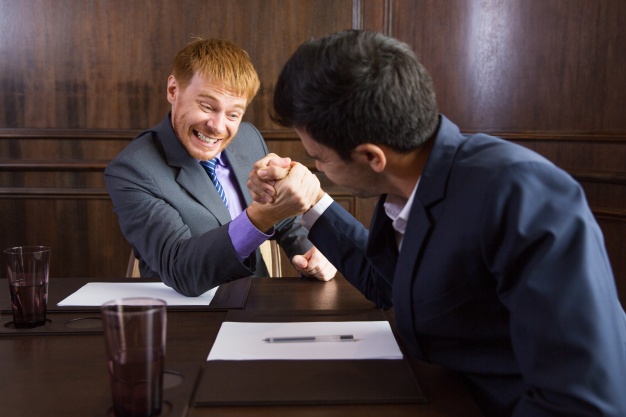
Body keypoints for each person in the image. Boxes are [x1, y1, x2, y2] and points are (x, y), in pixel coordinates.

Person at [248, 30, 626, 416]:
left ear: (371, 157)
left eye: (319, 159)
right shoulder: (409, 181)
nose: (315, 167)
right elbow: (391, 284)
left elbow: (584, 401)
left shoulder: (524, 195)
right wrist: (308, 201)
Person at [104, 38, 336, 297]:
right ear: (173, 90)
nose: (217, 126)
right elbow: (180, 269)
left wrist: (310, 253)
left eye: (233, 114)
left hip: (257, 304)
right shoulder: (132, 170)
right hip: (185, 317)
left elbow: (286, 220)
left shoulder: (248, 138)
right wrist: (262, 216)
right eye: (206, 106)